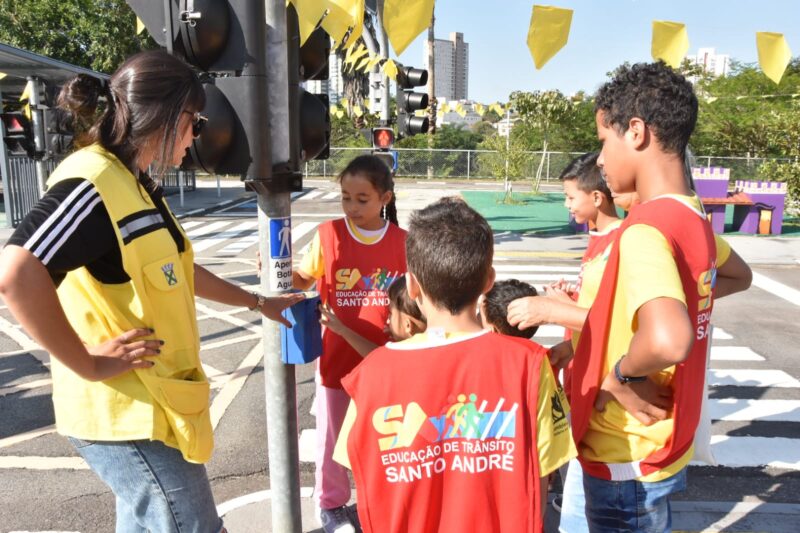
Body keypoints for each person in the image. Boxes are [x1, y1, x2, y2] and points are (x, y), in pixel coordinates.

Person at [0, 50, 303, 533]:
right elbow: (16, 272)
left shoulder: (135, 184)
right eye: (195, 123)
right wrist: (88, 361)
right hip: (125, 411)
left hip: (153, 403)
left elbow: (177, 271)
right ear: (167, 115)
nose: (196, 137)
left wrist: (257, 301)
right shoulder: (92, 181)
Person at [509, 62, 751, 532]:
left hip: (625, 452)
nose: (600, 159)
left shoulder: (643, 230)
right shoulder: (692, 220)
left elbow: (667, 338)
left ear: (636, 132)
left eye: (604, 141)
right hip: (661, 446)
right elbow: (737, 275)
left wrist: (620, 374)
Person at [332, 198, 576, 533]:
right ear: (489, 281)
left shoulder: (370, 375)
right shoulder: (531, 366)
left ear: (413, 284)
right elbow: (544, 470)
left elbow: (357, 465)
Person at [292, 155, 406, 533]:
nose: (352, 207)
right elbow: (302, 279)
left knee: (386, 440)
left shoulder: (404, 243)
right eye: (345, 198)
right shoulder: (328, 236)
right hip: (337, 361)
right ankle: (332, 505)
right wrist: (275, 269)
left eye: (362, 199)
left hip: (389, 364)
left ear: (385, 198)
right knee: (333, 440)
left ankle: (380, 502)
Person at [319, 276, 426, 356]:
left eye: (391, 313)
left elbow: (374, 356)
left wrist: (342, 330)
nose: (388, 321)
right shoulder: (438, 344)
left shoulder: (400, 355)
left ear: (408, 325)